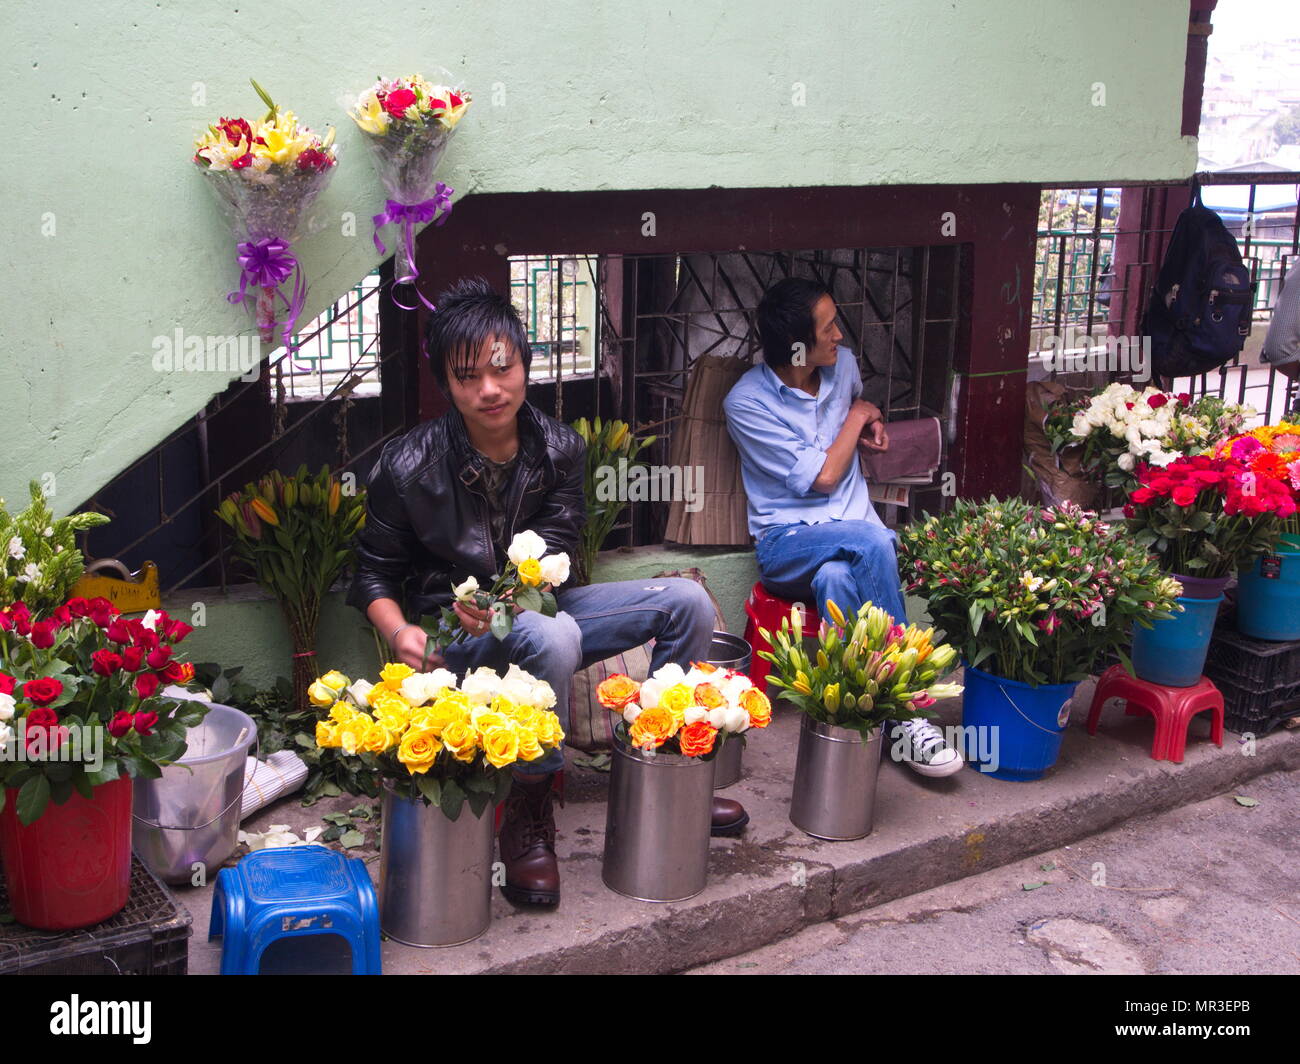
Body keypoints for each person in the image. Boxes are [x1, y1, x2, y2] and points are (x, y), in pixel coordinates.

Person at [347, 277, 748, 908]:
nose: (488, 389)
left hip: (536, 611)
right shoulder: (407, 466)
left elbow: (556, 553)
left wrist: (506, 603)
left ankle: (663, 770)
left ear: (526, 366)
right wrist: (401, 633)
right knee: (556, 634)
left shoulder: (561, 449)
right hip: (454, 640)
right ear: (446, 385)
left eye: (502, 368)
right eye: (466, 375)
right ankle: (530, 819)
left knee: (688, 602)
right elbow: (371, 573)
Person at [722, 277, 962, 778]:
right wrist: (857, 416)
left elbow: (853, 418)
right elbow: (825, 477)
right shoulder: (747, 404)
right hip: (787, 545)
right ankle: (909, 709)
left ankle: (860, 712)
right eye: (828, 328)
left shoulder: (844, 367)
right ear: (796, 347)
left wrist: (868, 417)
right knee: (872, 539)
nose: (839, 336)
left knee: (837, 578)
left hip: (847, 544)